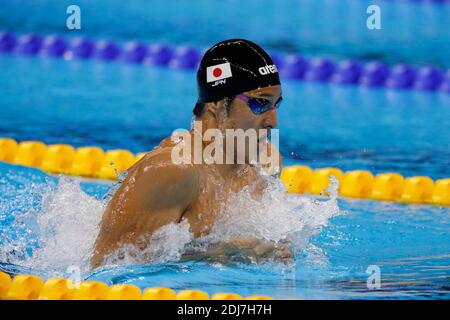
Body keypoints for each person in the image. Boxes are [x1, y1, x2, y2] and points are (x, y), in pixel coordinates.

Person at [91, 39, 289, 268]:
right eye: (259, 104)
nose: (272, 122)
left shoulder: (265, 164)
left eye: (276, 105)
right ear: (217, 103)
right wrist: (223, 253)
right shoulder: (173, 171)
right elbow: (106, 267)